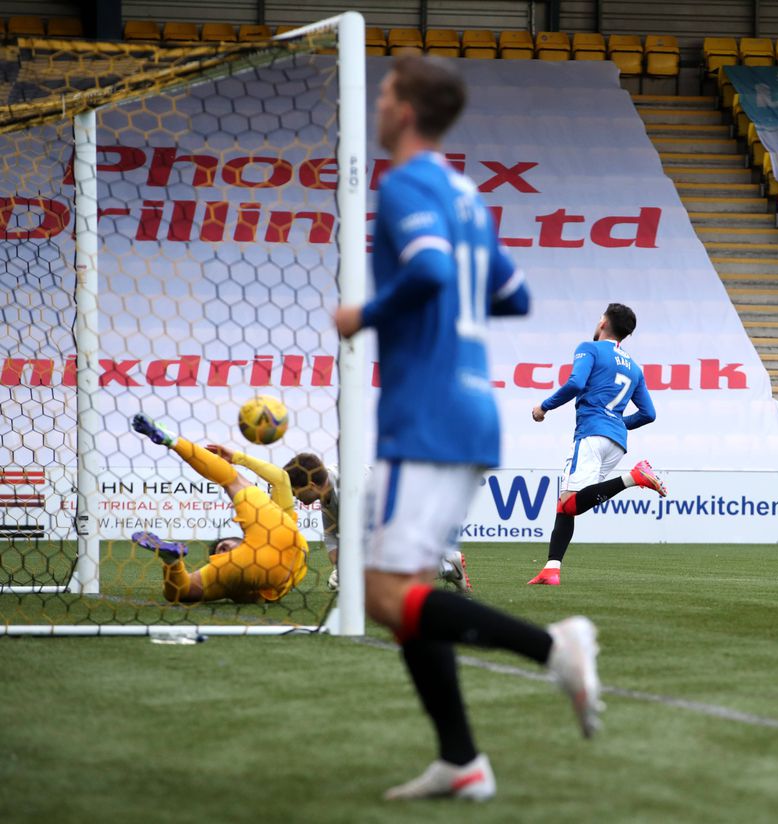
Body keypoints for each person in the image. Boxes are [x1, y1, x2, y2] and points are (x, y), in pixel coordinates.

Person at [332, 54, 602, 802]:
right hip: (469, 405)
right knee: (409, 595)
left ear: (407, 110)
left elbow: (426, 273)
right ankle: (461, 760)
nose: (378, 104)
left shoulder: (408, 184)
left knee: (382, 593)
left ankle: (555, 646)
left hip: (426, 412)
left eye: (385, 93)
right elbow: (511, 294)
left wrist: (363, 317)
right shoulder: (465, 193)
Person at [527, 303, 666, 586]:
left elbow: (576, 383)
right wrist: (615, 422)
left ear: (603, 322)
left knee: (570, 503)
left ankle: (633, 477)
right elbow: (649, 414)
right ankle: (552, 568)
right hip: (615, 442)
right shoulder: (635, 368)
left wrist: (544, 406)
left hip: (591, 434)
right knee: (566, 503)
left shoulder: (588, 348)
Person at [129, 416, 307, 604]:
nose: (223, 549)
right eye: (223, 550)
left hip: (250, 565)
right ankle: (173, 440)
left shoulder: (229, 580)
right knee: (233, 480)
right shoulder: (283, 520)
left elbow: (180, 593)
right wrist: (238, 458)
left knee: (182, 593)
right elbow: (280, 478)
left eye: (222, 548)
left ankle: (171, 561)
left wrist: (172, 565)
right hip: (282, 538)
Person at [284, 452, 470, 593]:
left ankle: (447, 565)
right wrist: (340, 567)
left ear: (311, 486)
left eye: (294, 491)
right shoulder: (327, 491)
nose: (294, 497)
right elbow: (332, 535)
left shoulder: (351, 488)